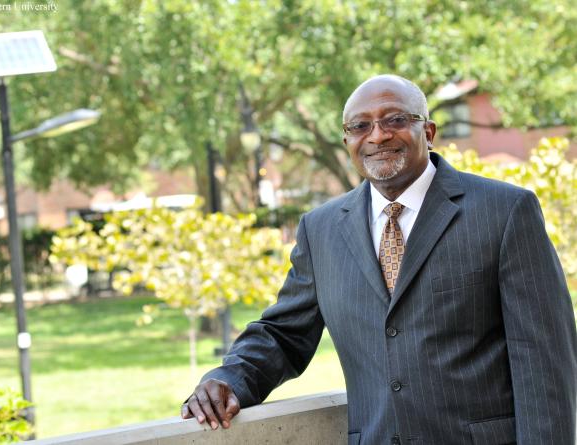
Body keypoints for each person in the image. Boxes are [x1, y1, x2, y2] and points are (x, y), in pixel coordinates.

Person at [181, 74, 577, 444]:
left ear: (429, 131)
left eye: (395, 120)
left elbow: (544, 360)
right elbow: (284, 334)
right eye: (360, 126)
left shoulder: (505, 211)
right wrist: (230, 378)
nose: (378, 135)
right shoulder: (320, 230)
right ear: (347, 141)